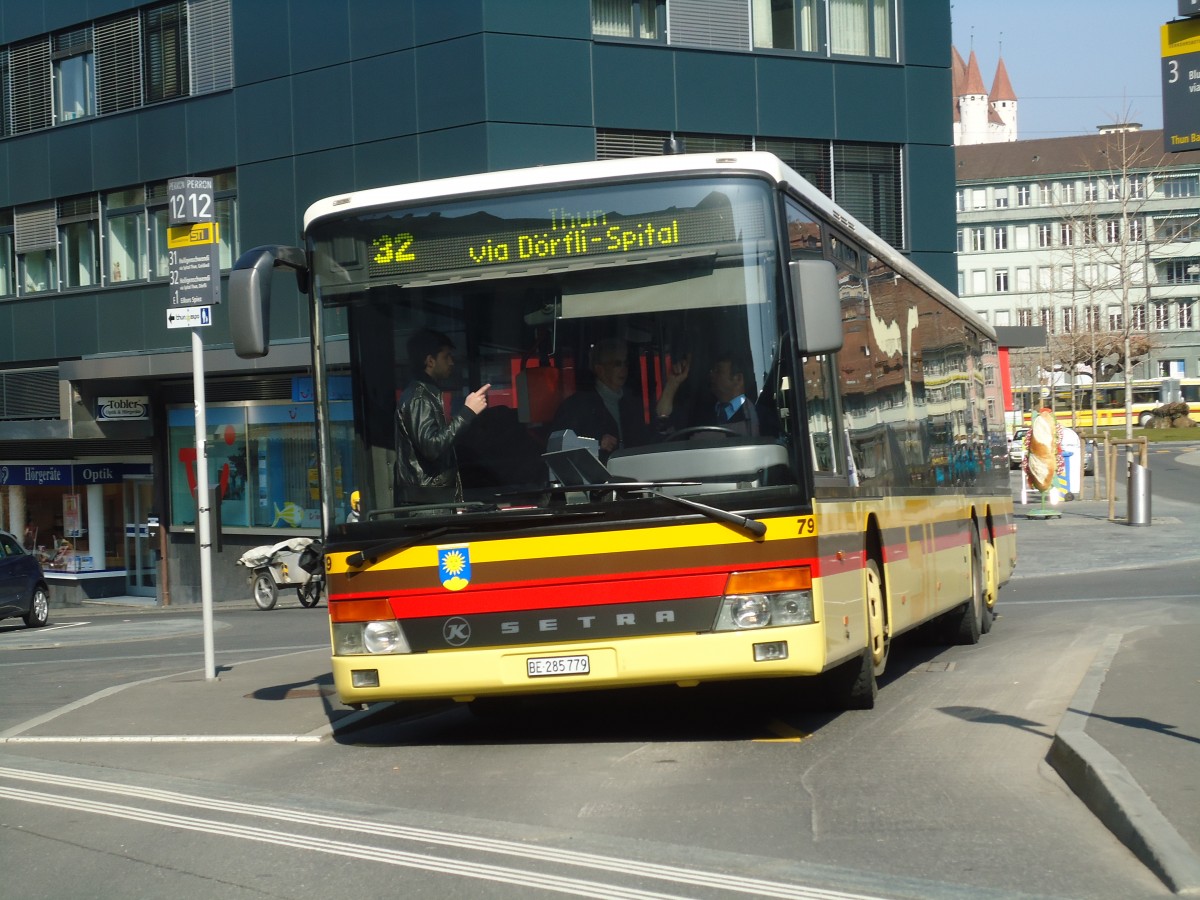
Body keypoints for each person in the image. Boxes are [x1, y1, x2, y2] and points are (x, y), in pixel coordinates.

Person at [394, 328, 490, 504]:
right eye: (446, 357)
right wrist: (467, 412)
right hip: (428, 506)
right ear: (430, 361)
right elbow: (432, 446)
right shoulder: (419, 398)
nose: (452, 362)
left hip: (431, 503)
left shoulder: (425, 394)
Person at [551, 338, 685, 462]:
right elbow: (559, 448)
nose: (624, 369)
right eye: (617, 364)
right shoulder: (576, 406)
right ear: (600, 369)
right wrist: (596, 444)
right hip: (596, 485)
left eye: (625, 363)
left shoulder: (631, 404)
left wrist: (672, 385)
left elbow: (648, 443)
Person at [655, 352, 760, 436]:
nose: (711, 374)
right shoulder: (697, 412)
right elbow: (664, 430)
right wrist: (672, 384)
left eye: (717, 371)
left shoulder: (760, 415)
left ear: (738, 379)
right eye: (711, 370)